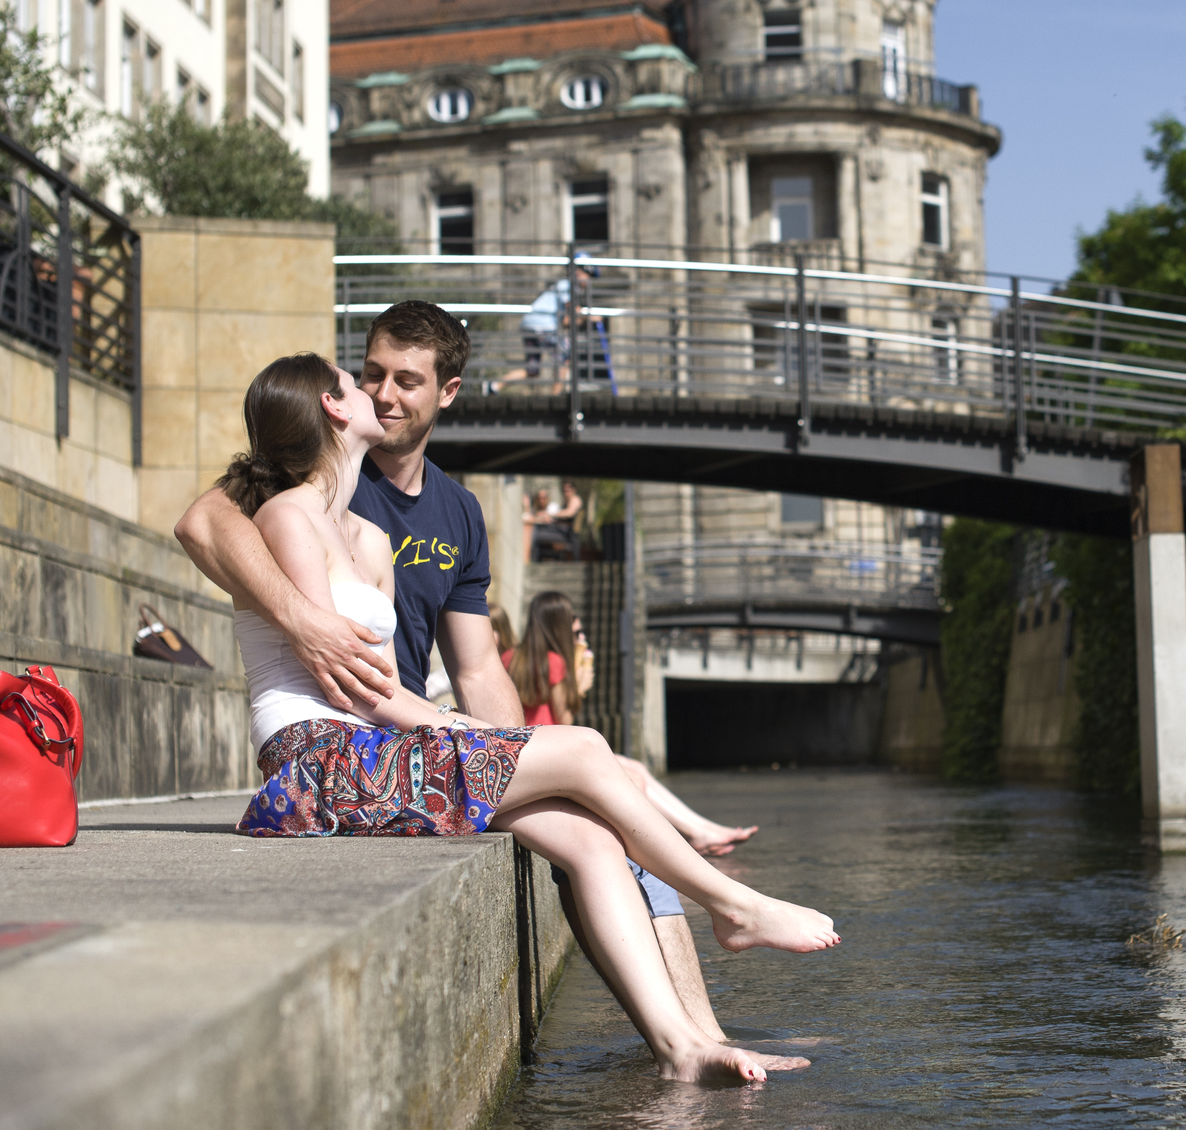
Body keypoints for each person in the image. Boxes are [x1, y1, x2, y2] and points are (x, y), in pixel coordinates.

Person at [201, 350, 833, 1083]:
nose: (372, 390)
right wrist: (467, 730)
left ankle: (682, 1048)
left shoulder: (370, 538)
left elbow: (387, 683)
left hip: (378, 751)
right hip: (319, 761)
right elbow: (344, 687)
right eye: (355, 381)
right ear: (332, 407)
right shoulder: (286, 518)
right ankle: (734, 904)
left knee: (591, 838)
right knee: (587, 746)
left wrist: (464, 729)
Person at [508, 590, 758, 857]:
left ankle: (701, 828)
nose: (580, 640)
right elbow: (564, 722)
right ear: (558, 627)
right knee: (634, 774)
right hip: (552, 754)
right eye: (575, 633)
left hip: (528, 751)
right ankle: (696, 833)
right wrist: (579, 689)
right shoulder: (555, 662)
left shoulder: (511, 657)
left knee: (634, 766)